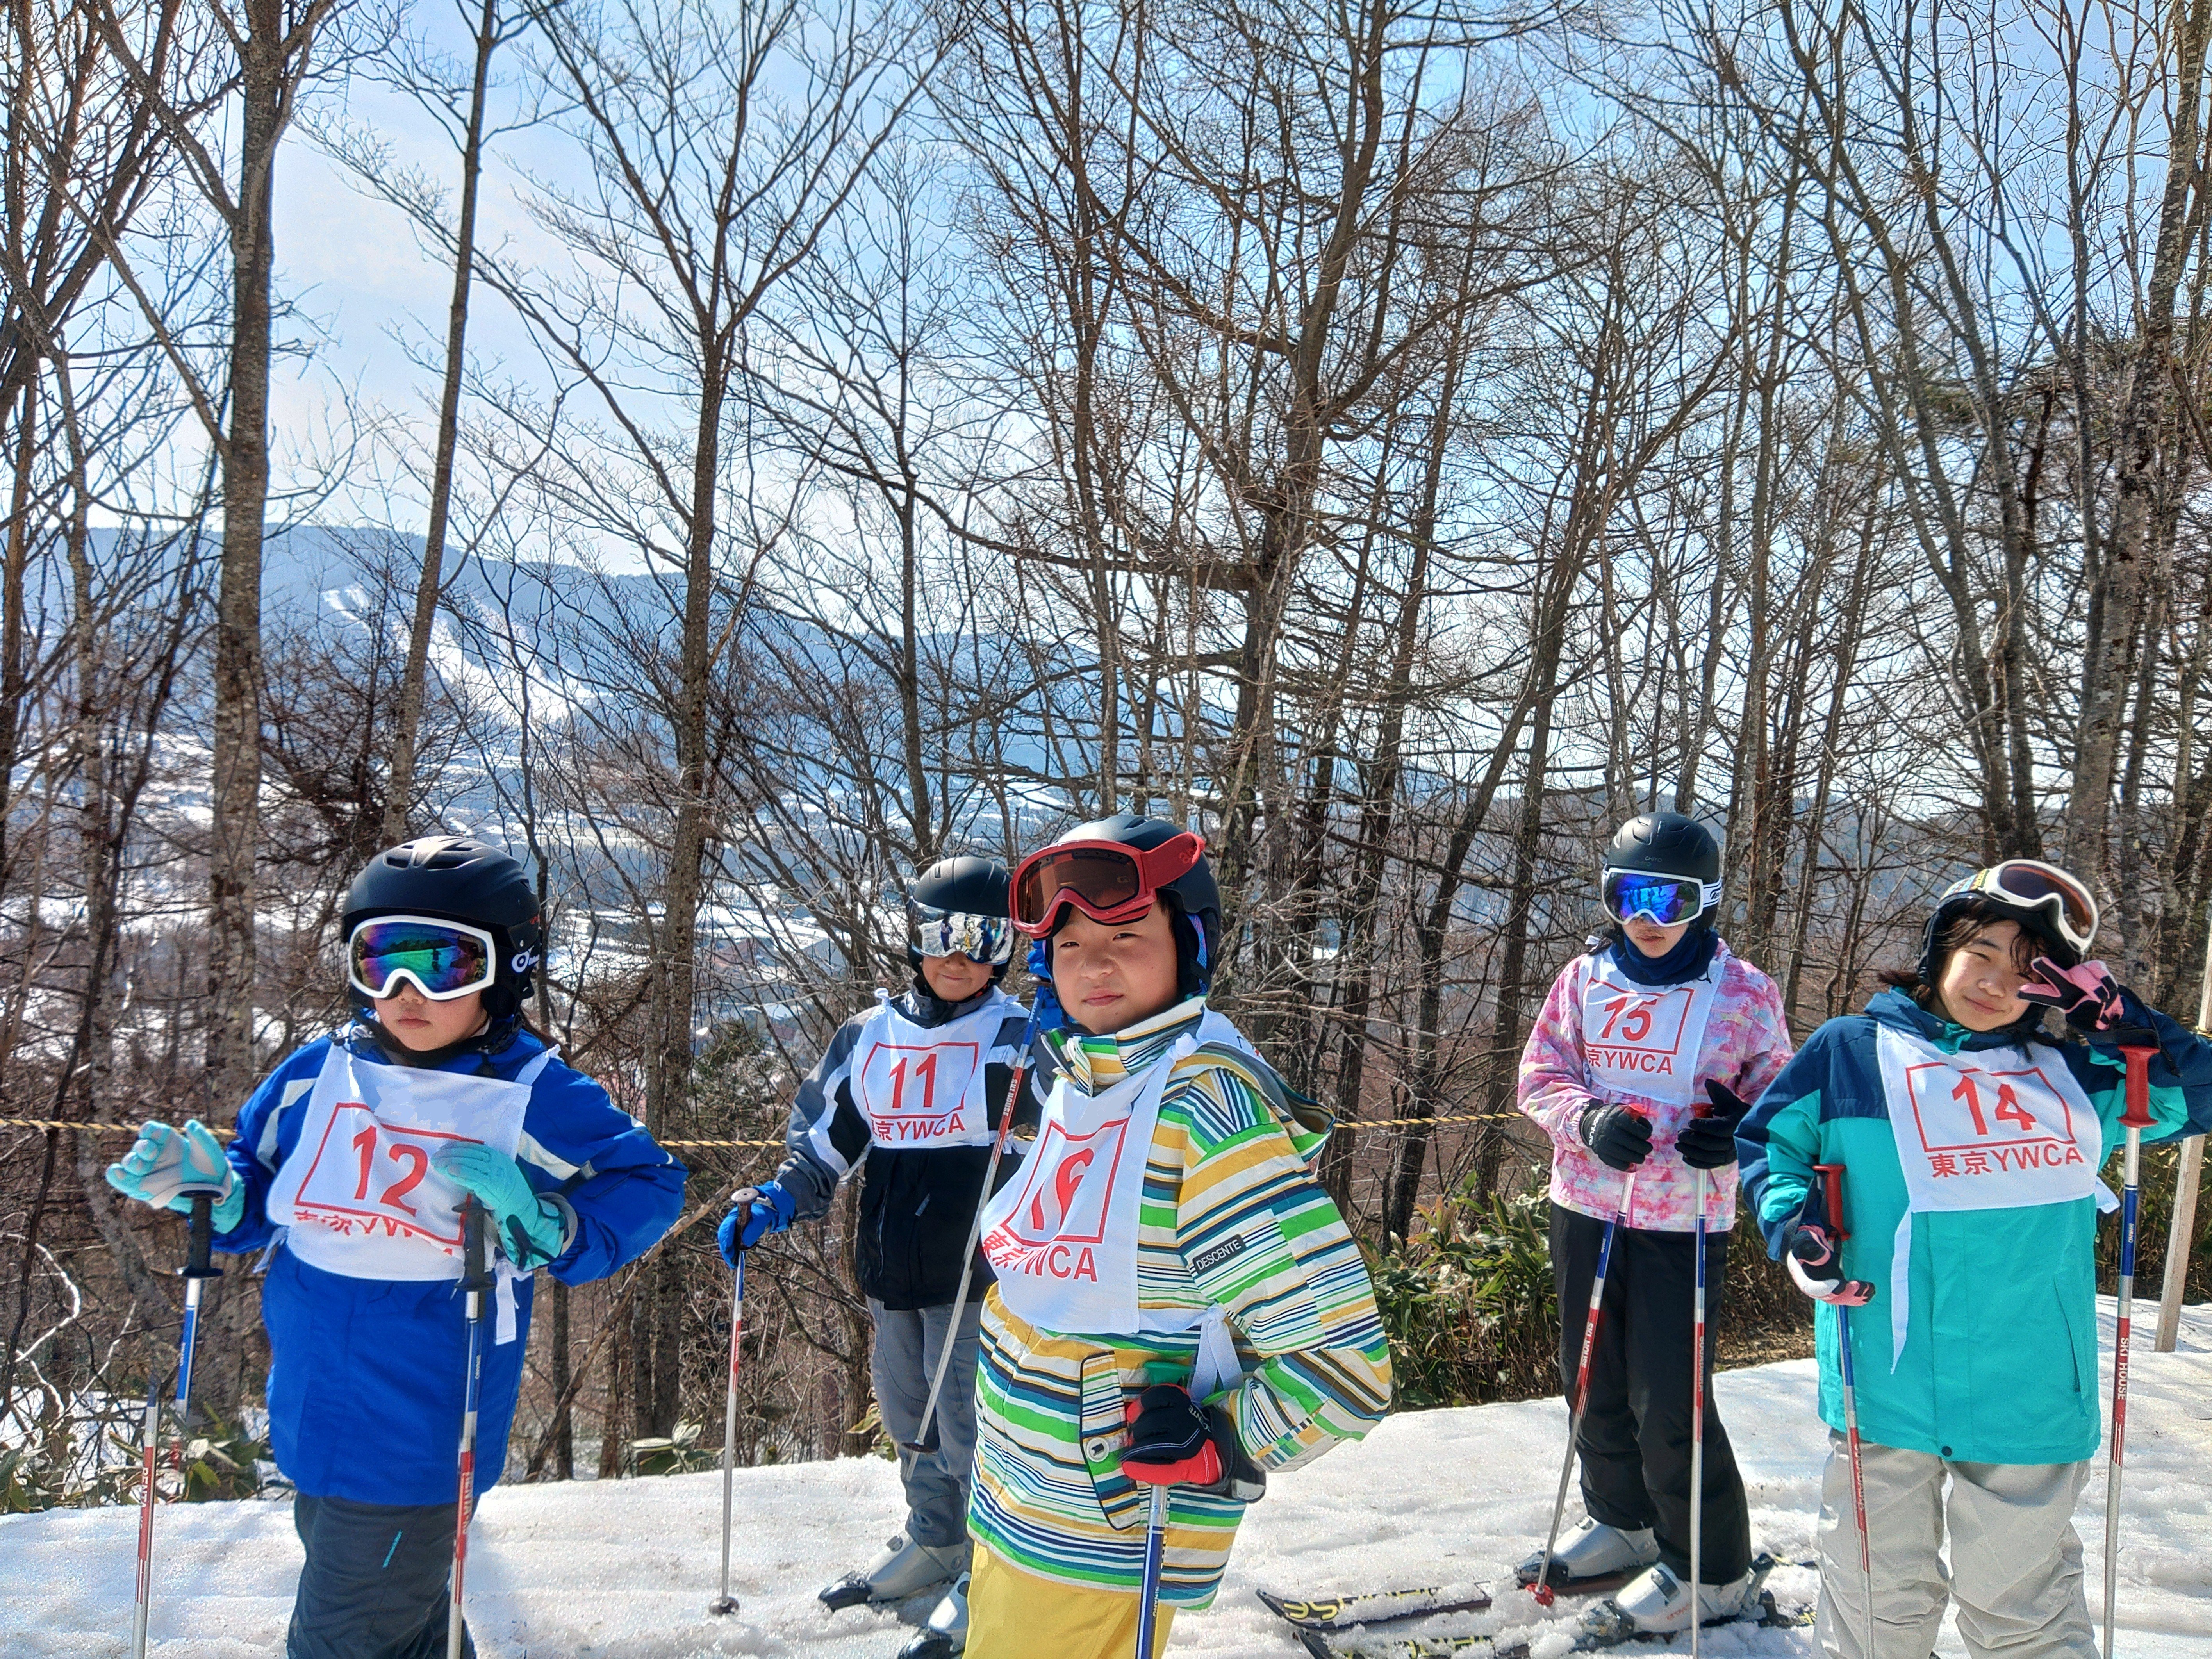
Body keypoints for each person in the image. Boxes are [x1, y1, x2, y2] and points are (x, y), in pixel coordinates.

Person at [105, 837, 686, 1659]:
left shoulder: (530, 1091)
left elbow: (650, 1180)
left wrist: (550, 1222)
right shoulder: (320, 1071)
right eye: (381, 962)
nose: (406, 992)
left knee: (341, 1638)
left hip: (424, 1425)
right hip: (314, 1409)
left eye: (442, 966)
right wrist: (220, 1195)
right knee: (405, 1627)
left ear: (506, 970)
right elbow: (262, 1188)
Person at [1738, 859, 2212, 1659]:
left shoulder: (2080, 1076)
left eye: (2028, 974)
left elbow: (2198, 1091)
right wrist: (1793, 1225)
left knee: (2020, 1615)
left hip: (2024, 1388)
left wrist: (2125, 1024)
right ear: (1942, 949)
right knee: (1874, 1611)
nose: (1995, 982)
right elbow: (1774, 1145)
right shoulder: (1851, 1051)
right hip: (1882, 1378)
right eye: (1981, 953)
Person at [961, 814, 1391, 1659]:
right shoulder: (1086, 1082)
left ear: (1189, 945)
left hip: (1099, 1542)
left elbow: (1345, 1368)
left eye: (1127, 934)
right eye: (1073, 942)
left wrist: (1220, 1441)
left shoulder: (1204, 1119)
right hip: (1013, 1507)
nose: (1096, 962)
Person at [715, 855, 1045, 1656]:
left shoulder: (1016, 1036)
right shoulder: (869, 1037)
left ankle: (993, 1574)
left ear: (1005, 947)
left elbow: (1076, 1117)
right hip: (892, 1266)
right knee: (910, 1416)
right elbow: (827, 1141)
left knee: (974, 1427)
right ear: (912, 940)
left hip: (981, 1272)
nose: (957, 954)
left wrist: (1061, 1036)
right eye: (940, 934)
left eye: (981, 937)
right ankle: (935, 1540)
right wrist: (780, 1197)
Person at [1516, 810, 1795, 1632]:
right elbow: (1541, 1075)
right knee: (1590, 1375)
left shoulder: (1743, 991)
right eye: (1629, 896)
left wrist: (1738, 1130)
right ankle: (1624, 1521)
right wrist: (1587, 1119)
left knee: (1670, 1399)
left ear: (1704, 902)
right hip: (1590, 1205)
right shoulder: (1584, 980)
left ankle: (1711, 1566)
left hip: (1687, 1220)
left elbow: (1779, 1095)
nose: (1647, 919)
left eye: (1669, 901)